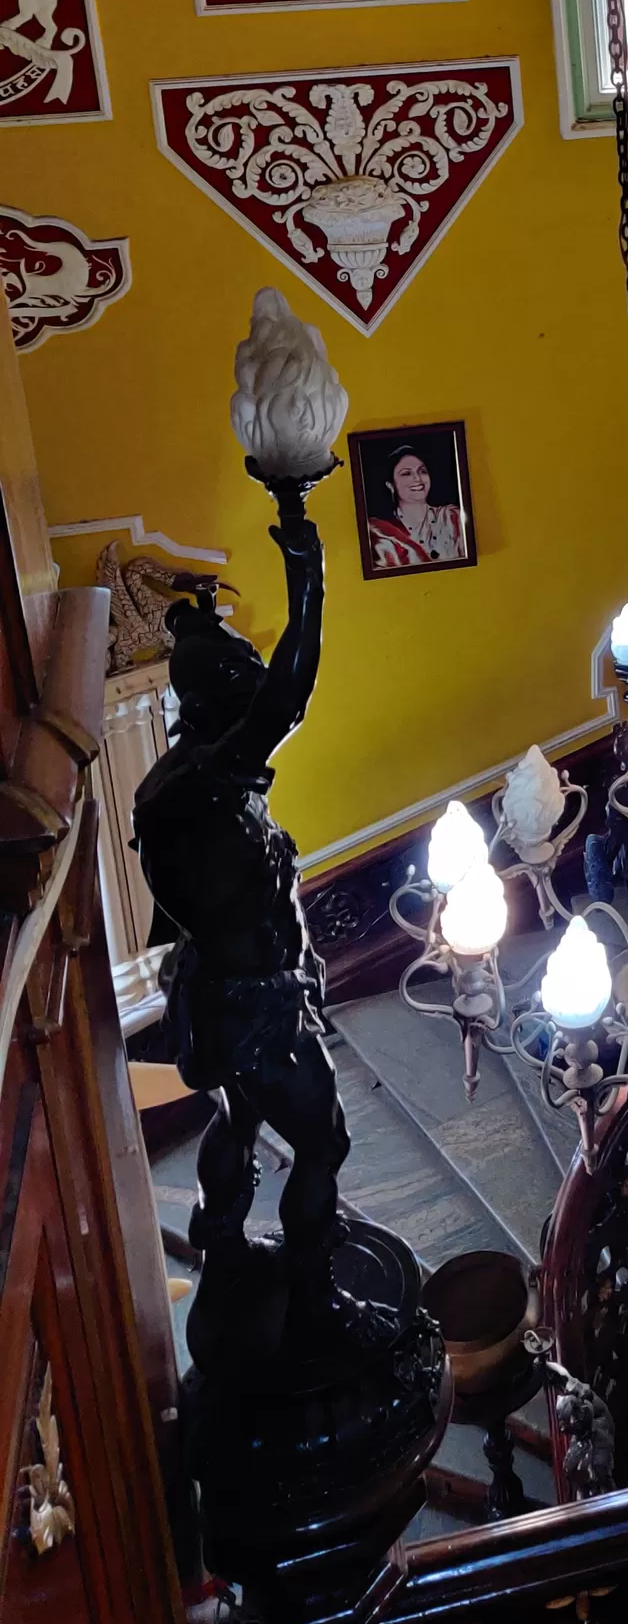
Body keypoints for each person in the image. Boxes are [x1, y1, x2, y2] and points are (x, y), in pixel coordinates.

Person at [132, 481, 384, 1362]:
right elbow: (293, 691)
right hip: (255, 1009)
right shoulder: (211, 779)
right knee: (324, 1141)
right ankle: (315, 1305)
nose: (257, 693)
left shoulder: (174, 781)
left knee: (238, 1117)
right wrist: (305, 568)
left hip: (223, 994)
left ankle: (225, 1245)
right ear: (215, 705)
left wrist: (193, 620)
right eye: (242, 681)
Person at [368, 443, 466, 568]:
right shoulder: (382, 532)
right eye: (406, 473)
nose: (417, 478)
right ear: (391, 485)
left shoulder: (452, 518)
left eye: (422, 471)